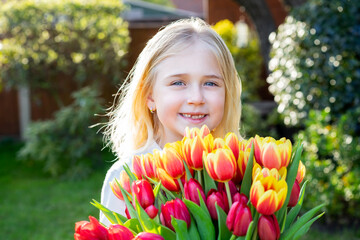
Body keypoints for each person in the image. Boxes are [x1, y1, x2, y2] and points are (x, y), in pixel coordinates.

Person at [100, 17, 242, 226]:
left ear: (227, 93)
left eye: (211, 83)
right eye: (178, 82)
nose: (196, 98)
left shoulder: (238, 172)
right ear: (150, 96)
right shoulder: (127, 177)